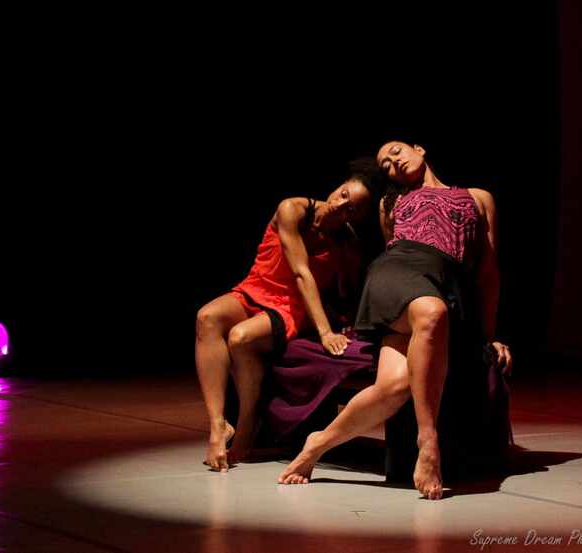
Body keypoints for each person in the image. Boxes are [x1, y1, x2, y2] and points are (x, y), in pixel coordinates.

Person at [277, 141, 513, 499]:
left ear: (420, 148)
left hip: (443, 283)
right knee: (431, 313)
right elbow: (394, 249)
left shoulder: (479, 197)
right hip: (397, 273)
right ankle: (428, 440)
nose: (392, 162)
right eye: (385, 164)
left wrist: (491, 334)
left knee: (396, 386)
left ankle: (317, 443)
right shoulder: (394, 202)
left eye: (396, 152)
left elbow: (488, 272)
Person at [195, 158, 382, 472]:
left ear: (361, 217)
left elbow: (345, 287)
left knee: (241, 337)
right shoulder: (294, 209)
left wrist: (335, 327)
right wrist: (325, 332)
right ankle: (217, 425)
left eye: (353, 208)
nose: (341, 205)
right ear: (339, 185)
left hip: (294, 307)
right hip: (257, 288)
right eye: (344, 194)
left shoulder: (347, 241)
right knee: (207, 317)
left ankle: (248, 421)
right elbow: (299, 271)